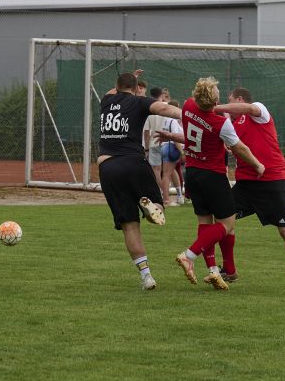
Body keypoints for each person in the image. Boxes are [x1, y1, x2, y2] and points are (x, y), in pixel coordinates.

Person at [214, 87, 285, 293]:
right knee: (223, 218)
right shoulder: (231, 125)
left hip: (272, 180)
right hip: (246, 183)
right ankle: (229, 270)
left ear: (239, 99)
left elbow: (248, 109)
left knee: (284, 229)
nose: (228, 106)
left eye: (230, 101)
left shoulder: (258, 110)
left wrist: (216, 108)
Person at [175, 76, 263, 291]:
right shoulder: (221, 123)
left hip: (192, 173)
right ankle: (189, 255)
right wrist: (257, 165)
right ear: (215, 102)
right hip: (213, 176)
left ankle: (215, 270)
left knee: (205, 222)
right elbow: (240, 148)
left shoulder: (187, 106)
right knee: (227, 224)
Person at [97, 71, 182, 291]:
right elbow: (164, 109)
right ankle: (153, 207)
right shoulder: (139, 101)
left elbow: (112, 90)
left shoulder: (106, 101)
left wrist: (128, 79)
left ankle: (146, 276)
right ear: (136, 89)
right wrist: (190, 115)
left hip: (108, 167)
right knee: (159, 207)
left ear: (116, 86)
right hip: (134, 162)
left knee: (129, 226)